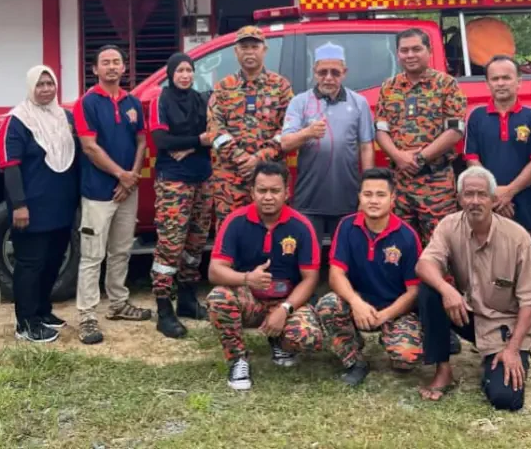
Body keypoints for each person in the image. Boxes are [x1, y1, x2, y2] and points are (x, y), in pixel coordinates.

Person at [416, 166, 531, 411]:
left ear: (492, 199)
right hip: (469, 313)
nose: (475, 201)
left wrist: (512, 349)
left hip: (505, 326)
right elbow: (425, 264)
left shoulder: (517, 237)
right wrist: (447, 291)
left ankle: (499, 360)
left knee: (505, 399)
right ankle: (443, 370)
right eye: (469, 195)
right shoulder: (449, 226)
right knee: (430, 290)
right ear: (459, 200)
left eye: (482, 195)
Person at [464, 55, 531, 364]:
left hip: (527, 210)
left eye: (507, 77)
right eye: (495, 78)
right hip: (487, 211)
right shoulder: (477, 118)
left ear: (519, 81)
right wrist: (493, 196)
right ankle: (494, 333)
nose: (501, 83)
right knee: (491, 274)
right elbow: (471, 158)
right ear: (488, 83)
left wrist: (508, 192)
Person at [206, 161, 323, 391]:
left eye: (275, 191)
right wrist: (247, 279)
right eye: (262, 190)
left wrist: (285, 309)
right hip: (250, 300)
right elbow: (214, 270)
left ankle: (281, 342)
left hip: (286, 301)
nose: (268, 197)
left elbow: (310, 278)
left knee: (307, 336)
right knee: (219, 298)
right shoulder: (235, 222)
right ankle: (238, 359)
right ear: (252, 192)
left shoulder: (301, 226)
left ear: (286, 193)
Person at [73, 45, 152, 345]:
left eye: (116, 62)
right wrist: (121, 175)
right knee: (93, 254)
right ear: (95, 69)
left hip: (126, 191)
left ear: (123, 68)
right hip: (98, 191)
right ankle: (87, 315)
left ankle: (118, 302)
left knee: (121, 249)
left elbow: (142, 141)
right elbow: (89, 147)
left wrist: (130, 179)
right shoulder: (87, 103)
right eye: (105, 62)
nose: (111, 67)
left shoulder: (132, 101)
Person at [316, 167, 423, 386]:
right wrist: (356, 303)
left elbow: (414, 291)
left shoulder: (407, 236)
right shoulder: (347, 226)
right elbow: (336, 274)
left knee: (406, 359)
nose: (373, 201)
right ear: (359, 197)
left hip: (394, 310)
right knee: (327, 304)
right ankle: (354, 360)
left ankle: (392, 339)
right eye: (367, 194)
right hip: (358, 305)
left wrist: (385, 316)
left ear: (393, 198)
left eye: (380, 195)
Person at [0, 66, 78, 344]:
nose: (46, 89)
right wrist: (18, 204)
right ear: (31, 87)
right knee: (30, 264)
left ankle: (43, 311)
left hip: (60, 206)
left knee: (53, 261)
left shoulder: (64, 116)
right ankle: (26, 322)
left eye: (50, 83)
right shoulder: (18, 120)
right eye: (40, 84)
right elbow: (10, 166)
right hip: (30, 208)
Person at [375, 28, 467, 245]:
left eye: (416, 49)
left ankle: (441, 281)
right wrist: (398, 156)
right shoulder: (388, 88)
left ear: (429, 50)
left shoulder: (447, 85)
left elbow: (454, 130)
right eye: (404, 50)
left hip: (436, 183)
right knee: (398, 245)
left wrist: (419, 158)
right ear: (397, 53)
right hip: (400, 183)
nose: (410, 55)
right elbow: (381, 130)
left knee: (442, 245)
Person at [281, 42, 375, 241]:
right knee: (309, 257)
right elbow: (286, 143)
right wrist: (307, 133)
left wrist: (368, 189)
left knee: (345, 257)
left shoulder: (359, 103)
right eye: (323, 72)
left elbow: (366, 147)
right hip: (308, 199)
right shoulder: (300, 102)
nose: (329, 78)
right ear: (314, 72)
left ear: (344, 72)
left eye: (335, 72)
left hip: (347, 198)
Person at [149, 53, 213, 339]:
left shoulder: (201, 100)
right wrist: (197, 141)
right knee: (170, 248)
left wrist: (190, 147)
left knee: (195, 244)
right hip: (174, 182)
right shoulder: (161, 100)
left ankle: (187, 301)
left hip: (203, 179)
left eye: (189, 70)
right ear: (171, 73)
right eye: (180, 70)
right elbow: (161, 140)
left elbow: (214, 133)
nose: (185, 75)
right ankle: (164, 311)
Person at [207, 26, 293, 229]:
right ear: (236, 52)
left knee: (272, 231)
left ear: (264, 50)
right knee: (230, 232)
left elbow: (289, 129)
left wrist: (259, 159)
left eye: (254, 47)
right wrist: (241, 159)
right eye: (244, 47)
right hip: (230, 178)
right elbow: (215, 130)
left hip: (270, 178)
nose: (249, 52)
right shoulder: (223, 87)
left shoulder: (281, 86)